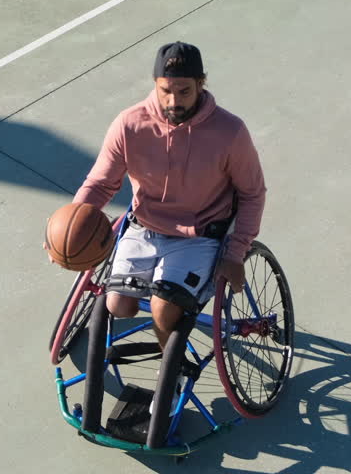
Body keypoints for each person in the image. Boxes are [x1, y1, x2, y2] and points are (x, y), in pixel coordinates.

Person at [70, 42, 266, 350]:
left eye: (184, 91)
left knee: (163, 309)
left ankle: (170, 366)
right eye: (166, 91)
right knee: (117, 305)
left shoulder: (230, 132)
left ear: (201, 84)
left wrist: (235, 253)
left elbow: (252, 194)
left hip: (199, 236)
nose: (174, 101)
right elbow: (100, 184)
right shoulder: (129, 124)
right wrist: (72, 224)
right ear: (155, 84)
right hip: (144, 229)